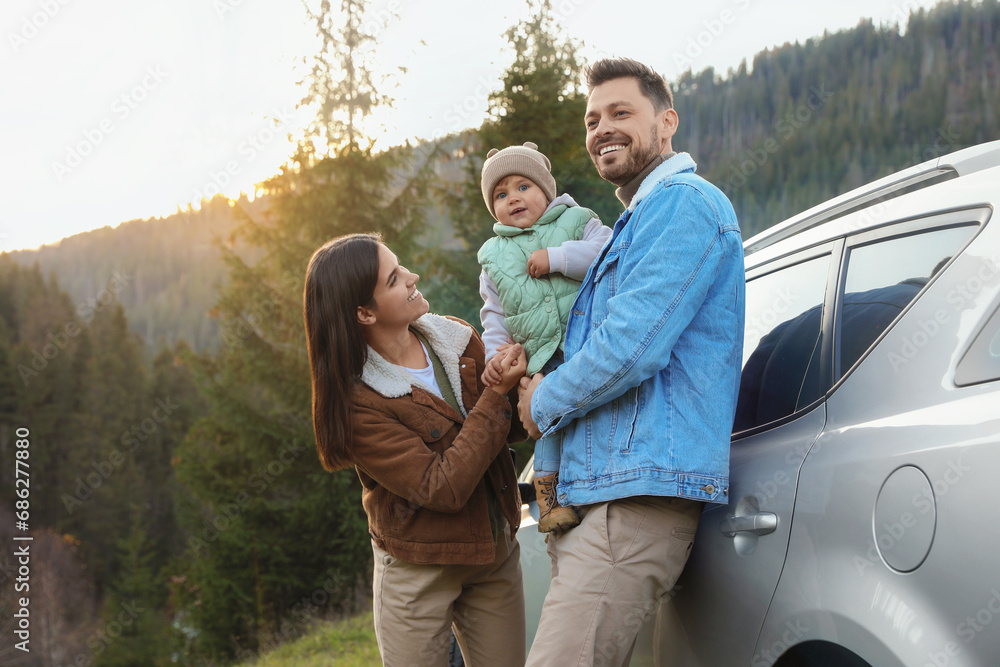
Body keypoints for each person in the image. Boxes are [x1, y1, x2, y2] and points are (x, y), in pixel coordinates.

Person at [517, 58, 746, 666]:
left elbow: (630, 348)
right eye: (592, 119)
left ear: (666, 122)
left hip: (634, 498)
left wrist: (540, 401)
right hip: (609, 492)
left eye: (621, 113)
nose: (601, 129)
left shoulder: (683, 204)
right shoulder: (638, 218)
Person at [303, 233, 528, 667]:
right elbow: (442, 487)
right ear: (364, 313)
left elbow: (510, 429)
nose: (412, 277)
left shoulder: (457, 339)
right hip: (417, 570)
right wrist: (497, 394)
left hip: (493, 556)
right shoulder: (359, 403)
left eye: (400, 265)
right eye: (393, 279)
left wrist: (520, 379)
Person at [477, 141, 611, 533]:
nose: (513, 199)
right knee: (547, 420)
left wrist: (558, 258)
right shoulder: (494, 256)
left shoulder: (577, 220)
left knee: (595, 411)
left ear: (545, 190)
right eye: (501, 194)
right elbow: (495, 314)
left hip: (588, 340)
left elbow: (607, 254)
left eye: (523, 187)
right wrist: (495, 355)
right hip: (542, 354)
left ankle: (603, 475)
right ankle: (549, 498)